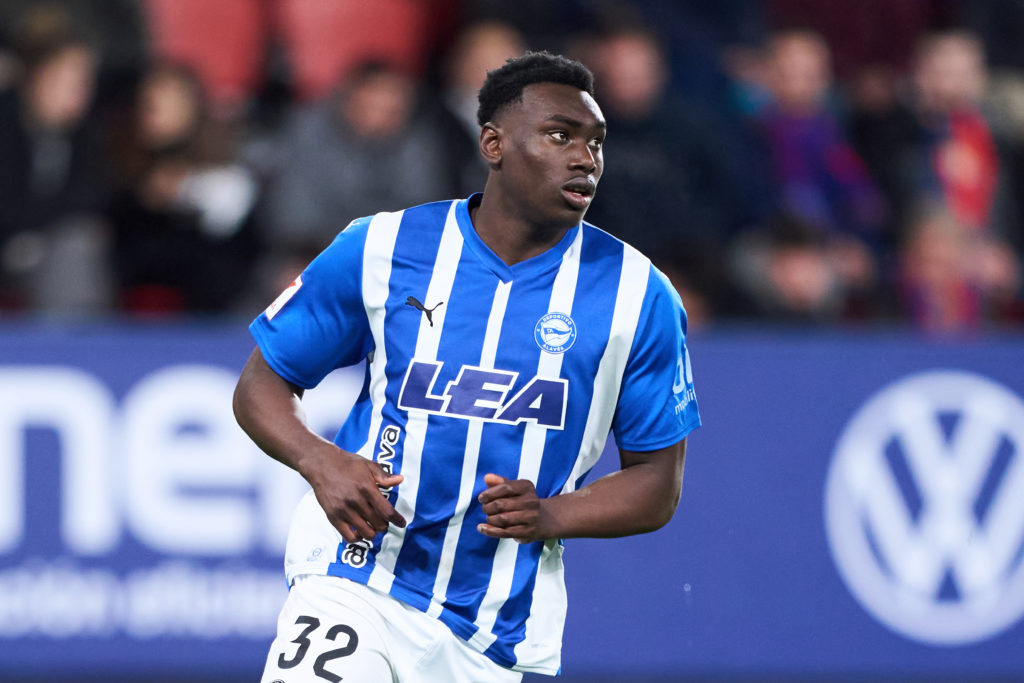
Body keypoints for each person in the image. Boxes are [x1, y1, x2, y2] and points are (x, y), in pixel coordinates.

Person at [233, 51, 700, 682]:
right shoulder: (382, 247)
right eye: (561, 136)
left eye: (596, 142)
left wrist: (553, 515)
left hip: (494, 630)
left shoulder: (639, 297)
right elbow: (263, 381)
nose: (585, 158)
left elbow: (657, 484)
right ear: (494, 142)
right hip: (355, 577)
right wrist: (320, 460)